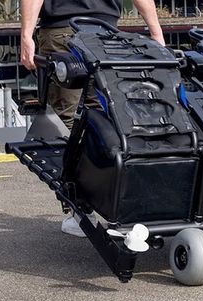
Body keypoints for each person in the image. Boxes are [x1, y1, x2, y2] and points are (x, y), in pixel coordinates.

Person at [20, 0, 165, 237]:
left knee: (67, 122)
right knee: (106, 118)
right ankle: (122, 202)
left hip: (62, 31)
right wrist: (155, 31)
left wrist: (26, 34)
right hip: (104, 33)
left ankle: (82, 210)